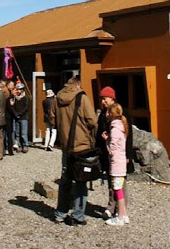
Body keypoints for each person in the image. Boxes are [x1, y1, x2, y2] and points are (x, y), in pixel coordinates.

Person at [50, 76, 97, 226]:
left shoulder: (57, 98)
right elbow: (92, 121)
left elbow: (51, 120)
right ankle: (78, 215)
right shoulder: (82, 98)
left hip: (66, 146)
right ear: (78, 85)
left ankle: (60, 214)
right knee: (81, 181)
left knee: (65, 180)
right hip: (82, 145)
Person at [95, 86, 134, 220]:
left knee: (120, 182)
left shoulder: (122, 113)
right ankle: (111, 206)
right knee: (111, 181)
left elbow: (129, 135)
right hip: (108, 153)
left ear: (112, 98)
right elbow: (99, 132)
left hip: (119, 153)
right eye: (102, 99)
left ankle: (120, 209)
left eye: (105, 98)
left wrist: (128, 154)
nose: (103, 101)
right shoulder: (103, 114)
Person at [102, 103, 130, 226]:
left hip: (116, 163)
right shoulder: (121, 126)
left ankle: (120, 216)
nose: (106, 114)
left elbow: (112, 149)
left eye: (108, 112)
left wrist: (106, 141)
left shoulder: (115, 129)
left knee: (117, 189)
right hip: (121, 161)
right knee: (119, 189)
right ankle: (123, 215)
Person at [13, 83, 29, 153]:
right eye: (17, 89)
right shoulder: (15, 98)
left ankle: (25, 145)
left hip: (24, 117)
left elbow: (26, 108)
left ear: (22, 90)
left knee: (23, 133)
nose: (18, 91)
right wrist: (15, 114)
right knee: (17, 133)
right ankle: (18, 145)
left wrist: (20, 114)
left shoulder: (25, 98)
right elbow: (13, 107)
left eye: (19, 89)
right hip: (17, 117)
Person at [4, 80, 16, 155]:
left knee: (8, 133)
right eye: (12, 85)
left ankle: (8, 147)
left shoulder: (10, 96)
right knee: (8, 133)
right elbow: (10, 107)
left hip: (8, 116)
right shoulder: (8, 96)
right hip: (8, 116)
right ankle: (9, 149)